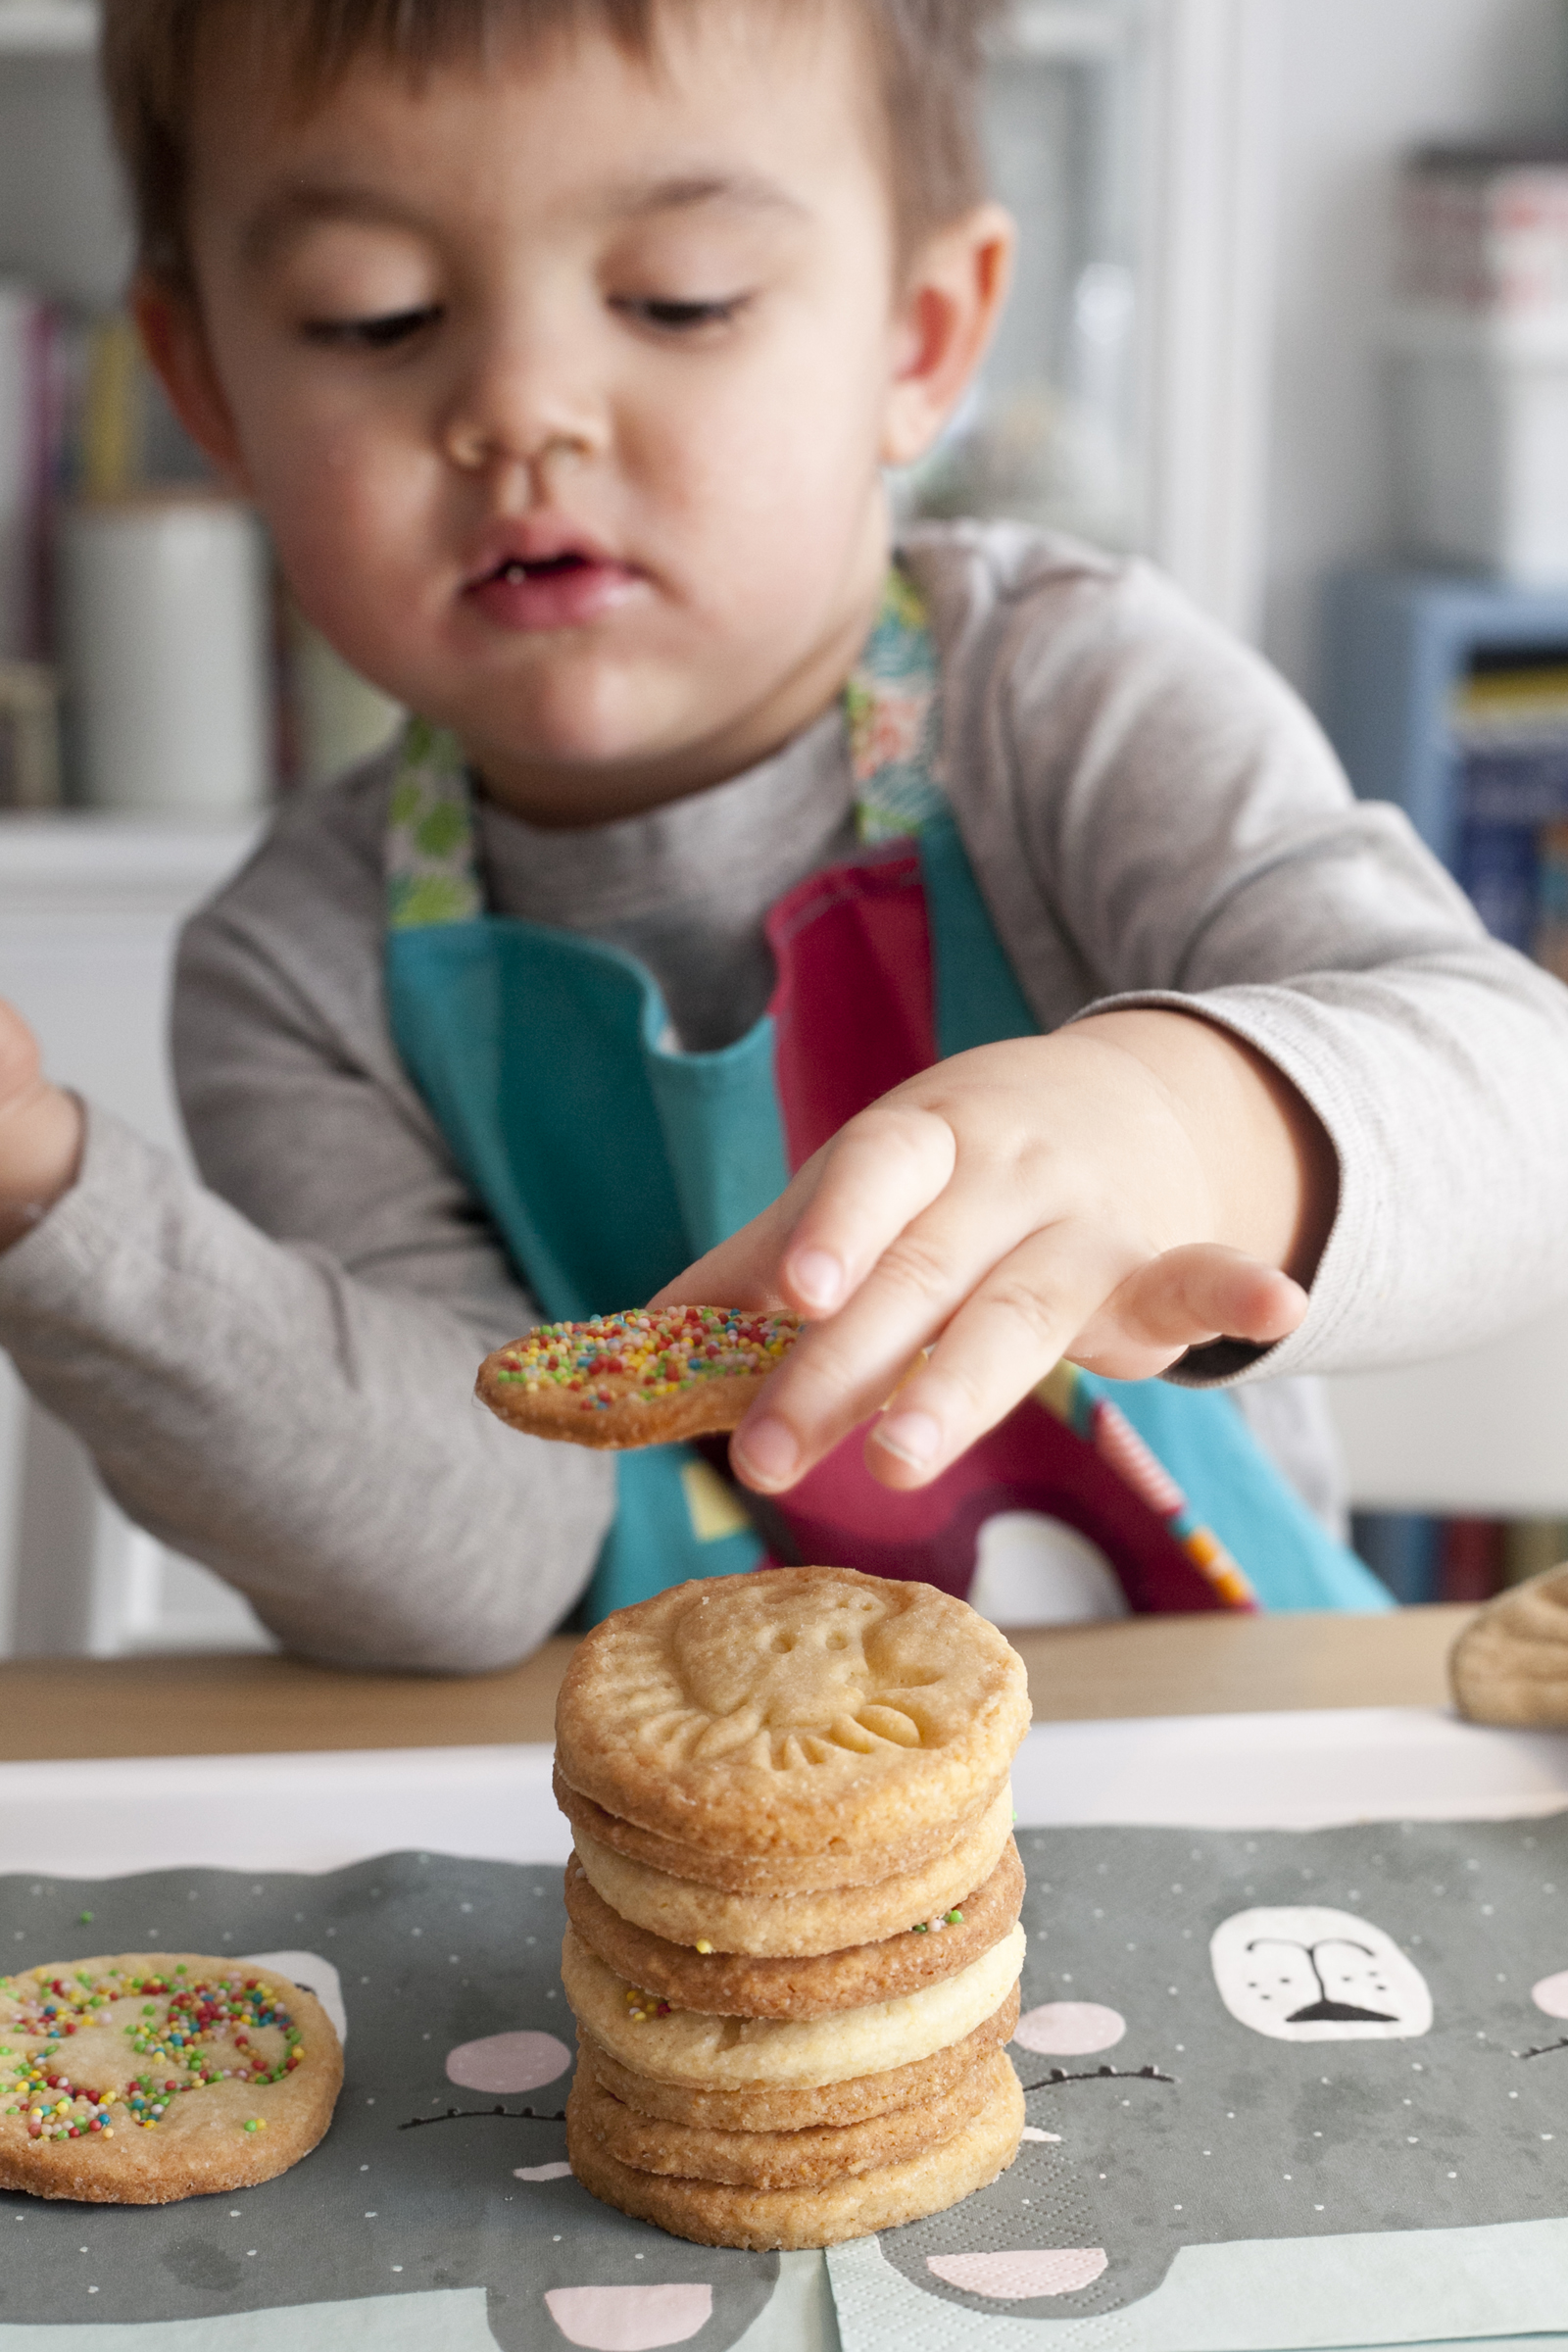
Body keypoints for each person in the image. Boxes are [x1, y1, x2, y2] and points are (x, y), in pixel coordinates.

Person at [0, 0, 1562, 1664]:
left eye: (682, 298)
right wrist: (46, 1197)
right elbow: (470, 1566)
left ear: (919, 335)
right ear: (210, 390)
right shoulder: (300, 967)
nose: (524, 408)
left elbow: (1519, 1104)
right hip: (683, 1880)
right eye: (373, 318)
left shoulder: (1064, 698)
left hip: (1210, 1785)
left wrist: (1178, 1128)